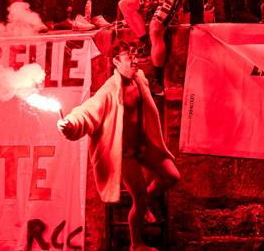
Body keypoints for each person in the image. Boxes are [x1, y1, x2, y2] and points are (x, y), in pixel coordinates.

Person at [57, 41, 180, 251]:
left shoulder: (139, 78)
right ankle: (136, 244)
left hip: (144, 146)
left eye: (135, 56)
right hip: (125, 154)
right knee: (138, 198)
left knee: (171, 176)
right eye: (128, 58)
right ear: (116, 62)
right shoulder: (109, 91)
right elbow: (87, 111)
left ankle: (144, 204)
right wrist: (70, 124)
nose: (134, 61)